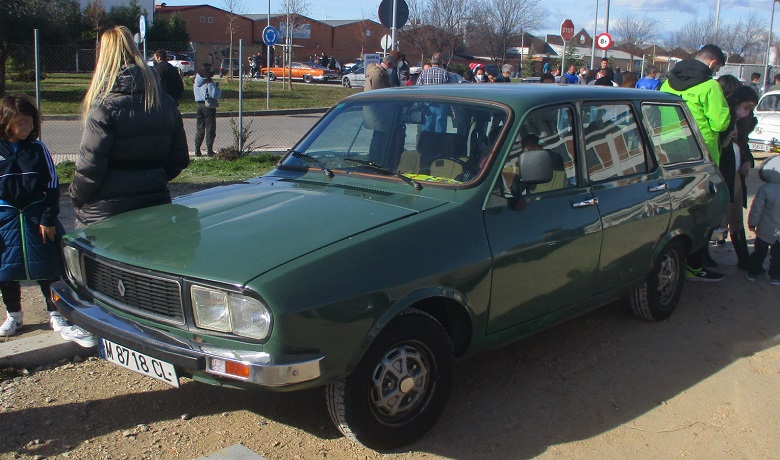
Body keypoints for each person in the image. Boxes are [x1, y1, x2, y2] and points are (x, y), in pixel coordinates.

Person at [661, 44, 731, 282]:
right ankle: (695, 265)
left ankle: (676, 260)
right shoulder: (710, 86)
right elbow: (720, 123)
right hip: (701, 157)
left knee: (678, 211)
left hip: (668, 154)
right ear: (713, 64)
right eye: (718, 68)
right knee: (702, 212)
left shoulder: (667, 81)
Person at [0, 94, 67, 337]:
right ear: (6, 122)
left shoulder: (38, 149)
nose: (26, 127)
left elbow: (51, 184)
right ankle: (14, 315)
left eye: (30, 122)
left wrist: (48, 218)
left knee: (47, 268)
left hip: (36, 219)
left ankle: (56, 312)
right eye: (21, 122)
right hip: (5, 219)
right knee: (6, 271)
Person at [719, 86, 758, 270]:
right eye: (746, 107)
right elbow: (715, 149)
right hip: (723, 178)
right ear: (735, 103)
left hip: (736, 177)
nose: (747, 113)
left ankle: (744, 259)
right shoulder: (723, 123)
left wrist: (748, 163)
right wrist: (726, 140)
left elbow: (746, 149)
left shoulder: (742, 124)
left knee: (736, 219)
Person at [746, 156, 780, 285]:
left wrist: (752, 223)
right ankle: (776, 276)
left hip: (765, 228)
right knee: (777, 255)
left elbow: (757, 209)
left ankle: (752, 273)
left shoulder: (765, 189)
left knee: (759, 252)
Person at [193, 62, 221, 156]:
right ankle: (209, 150)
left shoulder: (196, 81)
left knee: (200, 128)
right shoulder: (209, 82)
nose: (212, 71)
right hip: (208, 106)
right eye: (211, 70)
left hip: (199, 106)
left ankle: (197, 149)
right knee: (210, 128)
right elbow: (214, 94)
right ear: (207, 71)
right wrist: (218, 90)